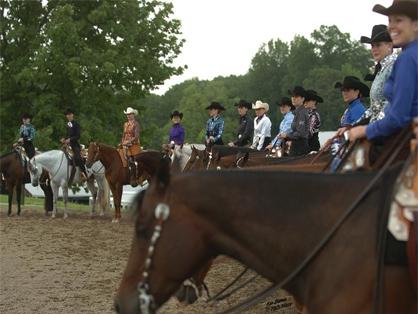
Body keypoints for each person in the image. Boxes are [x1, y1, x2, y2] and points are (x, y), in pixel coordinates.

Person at [349, 0, 418, 142]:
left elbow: (397, 117)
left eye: (398, 20)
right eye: (390, 21)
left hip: (401, 136)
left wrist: (366, 129)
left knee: (349, 162)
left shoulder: (406, 59)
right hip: (401, 131)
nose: (391, 26)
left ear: (416, 24)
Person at [361, 24, 397, 122]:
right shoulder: (382, 69)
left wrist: (370, 129)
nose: (374, 49)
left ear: (389, 45)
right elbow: (375, 107)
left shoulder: (394, 66)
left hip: (388, 129)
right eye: (372, 45)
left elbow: (393, 104)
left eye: (378, 45)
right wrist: (352, 126)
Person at [280, 86, 310, 156]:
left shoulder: (301, 113)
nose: (293, 98)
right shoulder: (297, 112)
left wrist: (286, 135)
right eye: (292, 96)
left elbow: (300, 133)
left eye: (296, 96)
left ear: (303, 98)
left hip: (299, 148)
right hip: (296, 146)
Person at [61, 108, 88, 178]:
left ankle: (84, 173)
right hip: (67, 145)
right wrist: (64, 139)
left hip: (75, 144)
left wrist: (70, 139)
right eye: (67, 115)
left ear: (72, 115)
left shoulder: (76, 124)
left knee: (78, 158)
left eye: (70, 114)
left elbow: (78, 136)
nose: (68, 116)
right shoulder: (67, 124)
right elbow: (67, 134)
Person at [121, 107, 141, 186]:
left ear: (133, 115)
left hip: (134, 144)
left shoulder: (136, 124)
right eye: (127, 114)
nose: (128, 116)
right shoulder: (125, 124)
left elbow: (136, 136)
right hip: (125, 144)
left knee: (133, 159)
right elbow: (123, 135)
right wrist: (122, 142)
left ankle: (134, 176)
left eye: (130, 114)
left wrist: (129, 142)